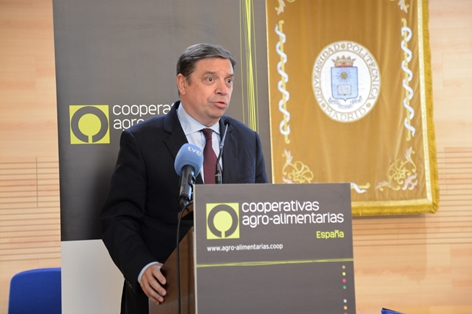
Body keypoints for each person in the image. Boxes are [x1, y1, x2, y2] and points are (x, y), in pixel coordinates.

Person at [100, 43, 268, 313]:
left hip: (233, 293)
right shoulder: (142, 140)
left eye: (228, 81)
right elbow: (118, 218)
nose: (223, 89)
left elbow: (262, 212)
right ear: (183, 83)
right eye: (210, 79)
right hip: (165, 294)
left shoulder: (248, 139)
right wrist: (142, 267)